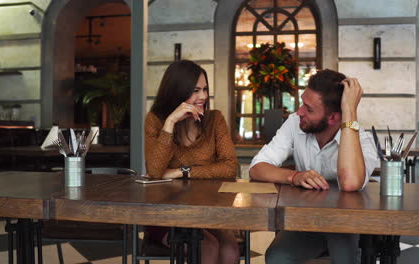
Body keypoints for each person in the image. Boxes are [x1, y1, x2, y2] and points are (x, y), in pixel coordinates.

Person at [249, 69, 378, 264]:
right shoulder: (295, 123)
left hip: (344, 224)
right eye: (302, 103)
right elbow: (257, 167)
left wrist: (350, 110)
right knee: (276, 258)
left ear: (334, 118)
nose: (299, 111)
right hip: (306, 221)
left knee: (345, 259)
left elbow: (350, 183)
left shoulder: (363, 141)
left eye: (308, 109)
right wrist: (295, 176)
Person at [144, 60, 240, 264]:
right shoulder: (156, 120)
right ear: (177, 91)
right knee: (208, 246)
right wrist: (170, 122)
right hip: (168, 210)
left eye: (205, 89)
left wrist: (181, 171)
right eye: (196, 90)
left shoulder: (214, 120)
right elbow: (154, 171)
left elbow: (230, 167)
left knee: (230, 249)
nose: (203, 96)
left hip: (209, 208)